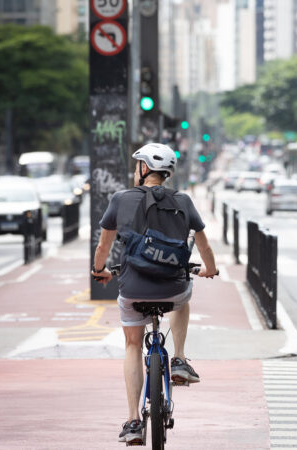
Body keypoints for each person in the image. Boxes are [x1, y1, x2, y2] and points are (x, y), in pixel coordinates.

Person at [90, 143, 218, 445]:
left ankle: (133, 420)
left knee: (133, 345)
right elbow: (204, 246)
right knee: (183, 293)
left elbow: (103, 248)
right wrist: (209, 270)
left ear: (144, 169)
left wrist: (101, 272)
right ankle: (180, 359)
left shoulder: (120, 199)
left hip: (133, 289)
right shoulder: (184, 201)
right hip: (172, 287)